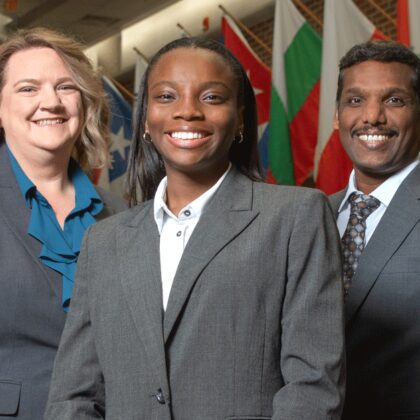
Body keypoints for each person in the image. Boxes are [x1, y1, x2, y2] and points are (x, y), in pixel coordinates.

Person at [45, 37, 345, 420]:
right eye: (167, 96)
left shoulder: (295, 216)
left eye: (212, 98)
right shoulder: (103, 241)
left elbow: (313, 386)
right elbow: (74, 396)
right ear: (146, 121)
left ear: (239, 119)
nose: (187, 111)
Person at [0, 28, 126, 420]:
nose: (50, 102)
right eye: (28, 89)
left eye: (65, 87)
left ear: (84, 104)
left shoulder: (120, 213)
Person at [330, 40, 420, 420]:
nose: (372, 117)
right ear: (336, 116)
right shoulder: (309, 214)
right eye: (355, 101)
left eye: (394, 100)